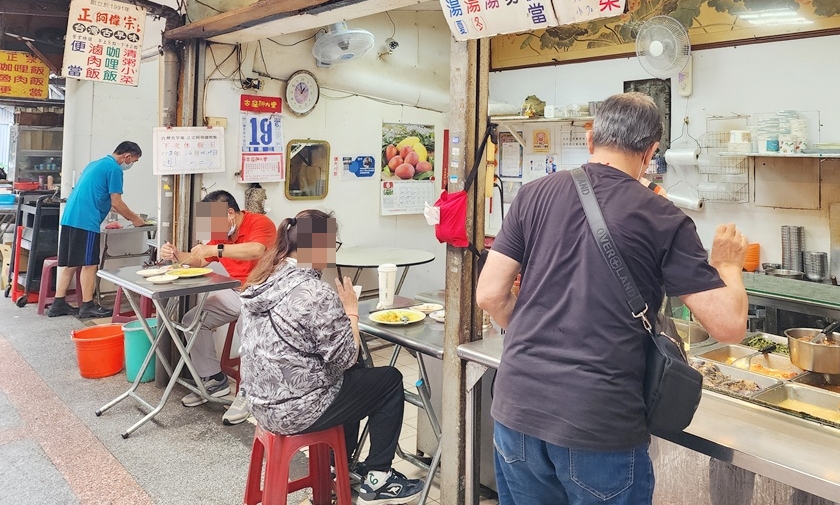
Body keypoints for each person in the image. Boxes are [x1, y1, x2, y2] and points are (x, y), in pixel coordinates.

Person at [477, 92, 750, 505]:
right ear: (651, 152)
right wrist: (729, 264)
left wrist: (535, 338)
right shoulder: (664, 218)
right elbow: (729, 327)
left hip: (517, 410)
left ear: (591, 140)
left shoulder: (533, 195)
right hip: (598, 424)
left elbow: (490, 295)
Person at [239, 210, 425, 505]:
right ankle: (379, 477)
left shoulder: (264, 279)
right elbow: (346, 357)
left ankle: (336, 464)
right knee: (388, 380)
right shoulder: (313, 292)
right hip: (295, 410)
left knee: (354, 380)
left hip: (261, 403)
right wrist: (350, 309)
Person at [158, 189, 275, 425]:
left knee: (249, 325)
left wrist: (215, 249)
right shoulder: (220, 233)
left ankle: (250, 394)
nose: (212, 230)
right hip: (235, 292)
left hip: (264, 294)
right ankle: (213, 379)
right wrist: (176, 255)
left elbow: (256, 250)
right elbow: (199, 260)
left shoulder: (260, 223)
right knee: (193, 320)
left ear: (230, 213)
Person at [48, 141, 147, 319]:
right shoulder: (114, 169)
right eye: (134, 160)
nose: (131, 164)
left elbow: (106, 202)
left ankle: (58, 303)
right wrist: (136, 219)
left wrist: (130, 215)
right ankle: (87, 306)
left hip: (71, 217)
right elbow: (116, 202)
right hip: (86, 221)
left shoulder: (95, 164)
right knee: (89, 264)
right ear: (127, 156)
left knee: (71, 263)